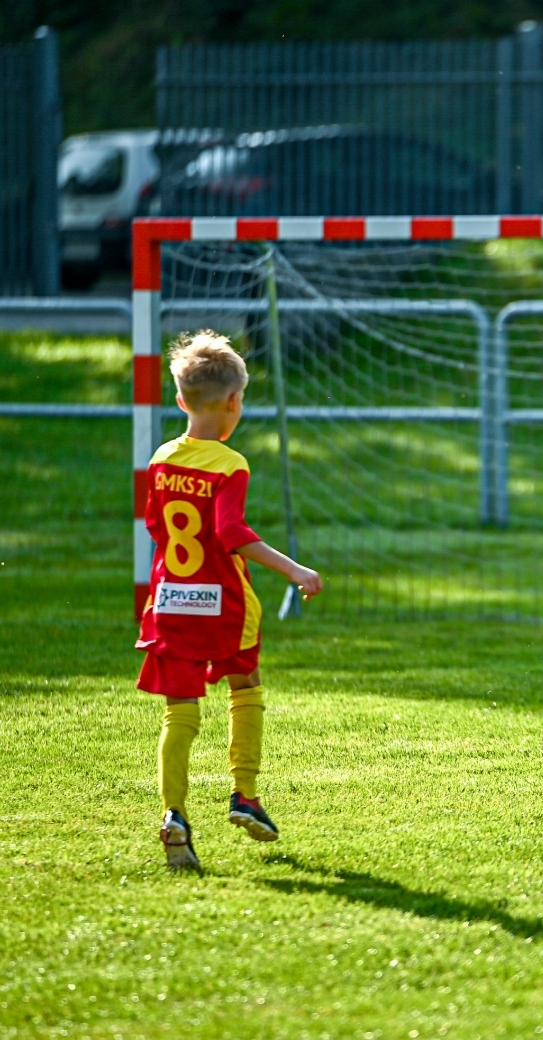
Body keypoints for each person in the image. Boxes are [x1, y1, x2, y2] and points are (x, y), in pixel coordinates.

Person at [136, 330, 323, 870]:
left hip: (170, 601)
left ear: (179, 399)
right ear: (236, 401)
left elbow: (155, 525)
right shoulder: (230, 464)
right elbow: (229, 531)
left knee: (180, 712)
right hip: (224, 604)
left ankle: (174, 815)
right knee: (245, 685)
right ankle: (244, 795)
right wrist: (293, 569)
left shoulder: (162, 458)